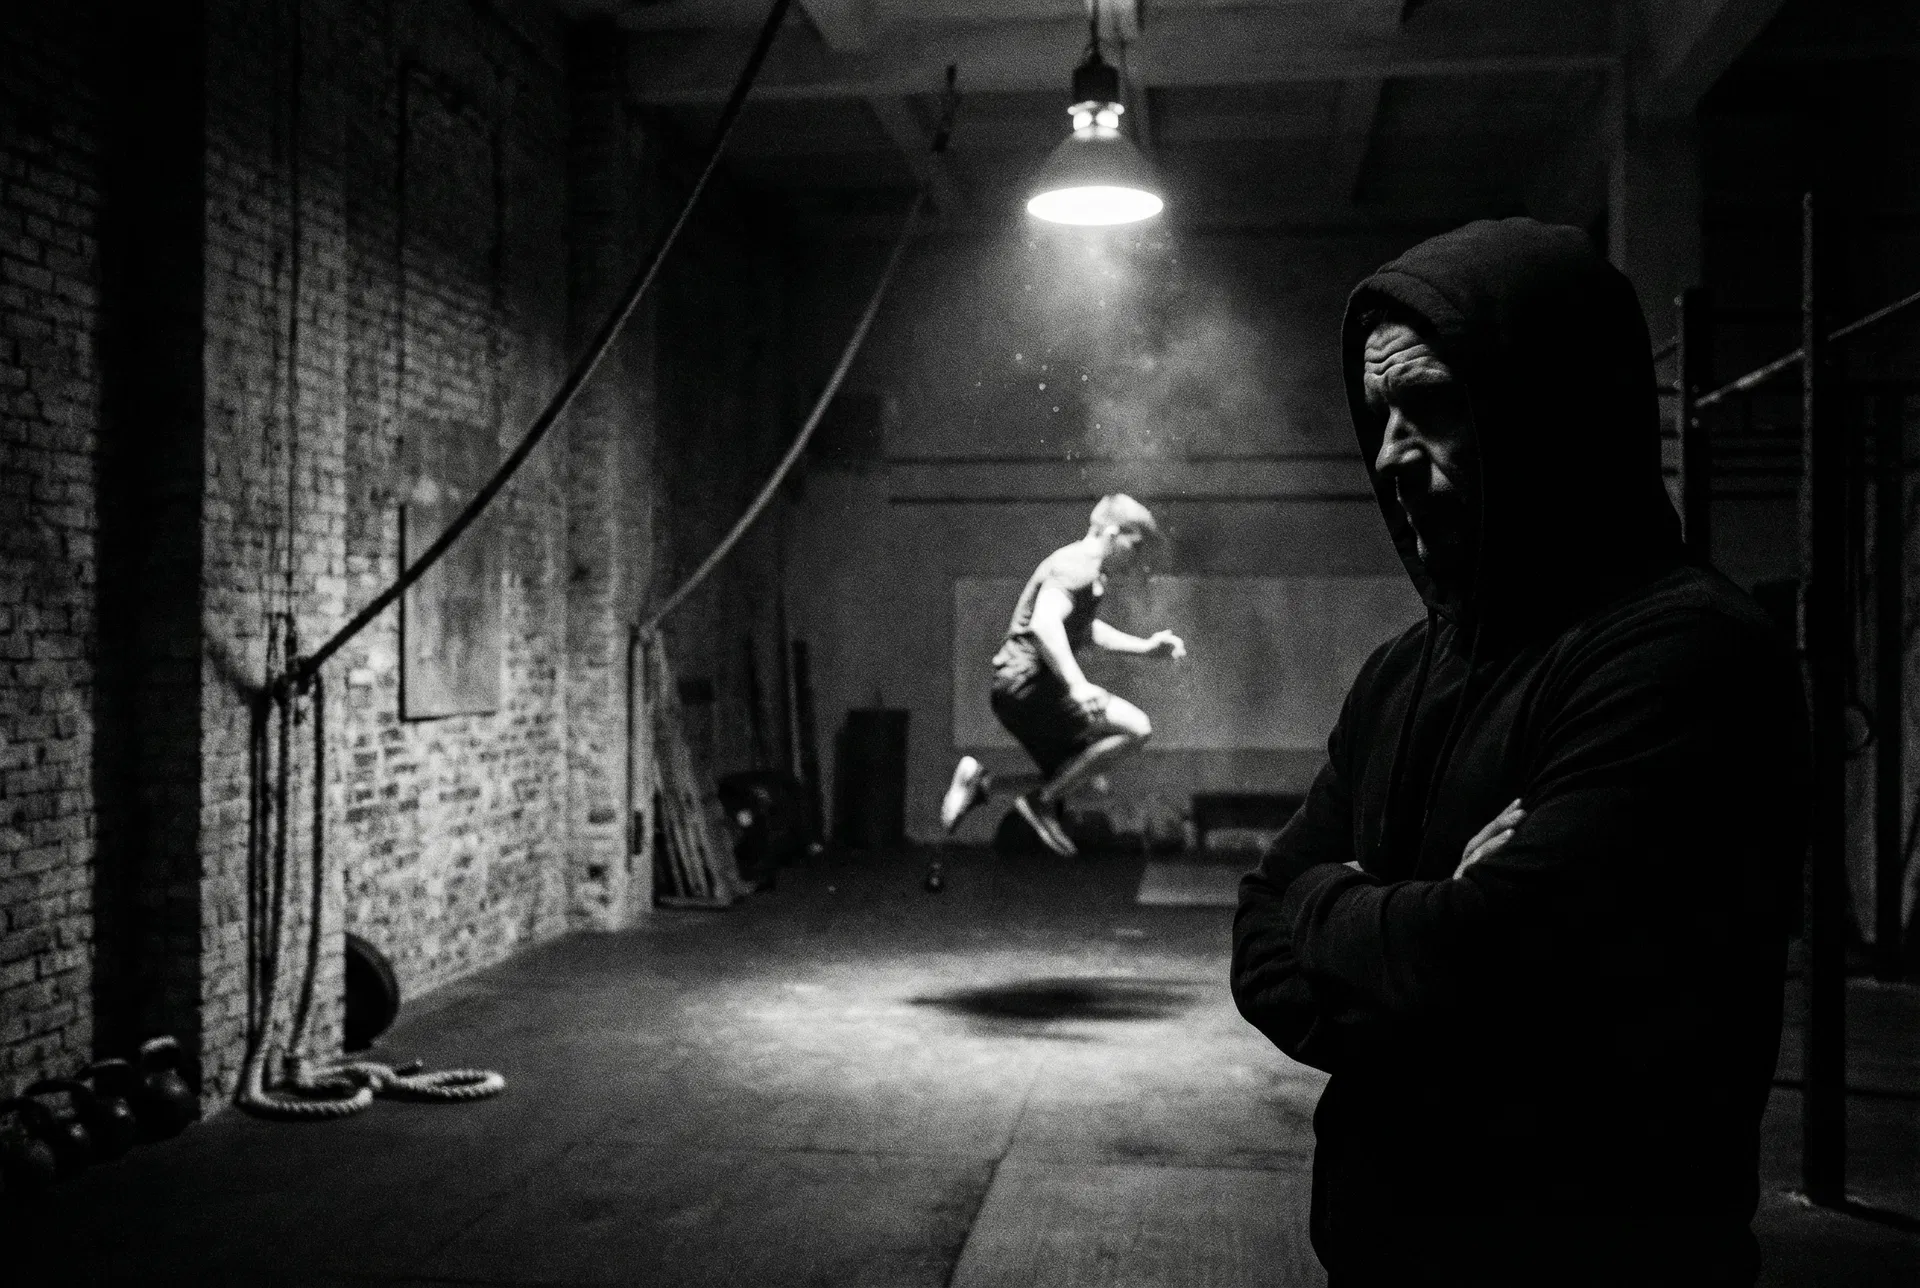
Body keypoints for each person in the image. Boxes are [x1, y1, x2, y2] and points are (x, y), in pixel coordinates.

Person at [1230, 219, 1808, 1285]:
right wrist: (1399, 919)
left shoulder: (1684, 656)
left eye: (1436, 408)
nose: (1396, 454)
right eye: (1379, 419)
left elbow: (1491, 964)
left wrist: (1330, 903)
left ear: (1553, 409)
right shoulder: (1401, 672)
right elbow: (1257, 948)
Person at [940, 493, 1186, 855]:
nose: (1135, 560)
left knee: (1085, 782)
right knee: (1137, 728)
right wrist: (1077, 684)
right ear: (1114, 532)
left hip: (1015, 689)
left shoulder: (1087, 572)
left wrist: (1145, 647)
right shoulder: (1078, 564)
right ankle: (1041, 803)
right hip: (1027, 682)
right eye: (1135, 547)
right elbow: (1043, 624)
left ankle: (983, 785)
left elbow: (1084, 631)